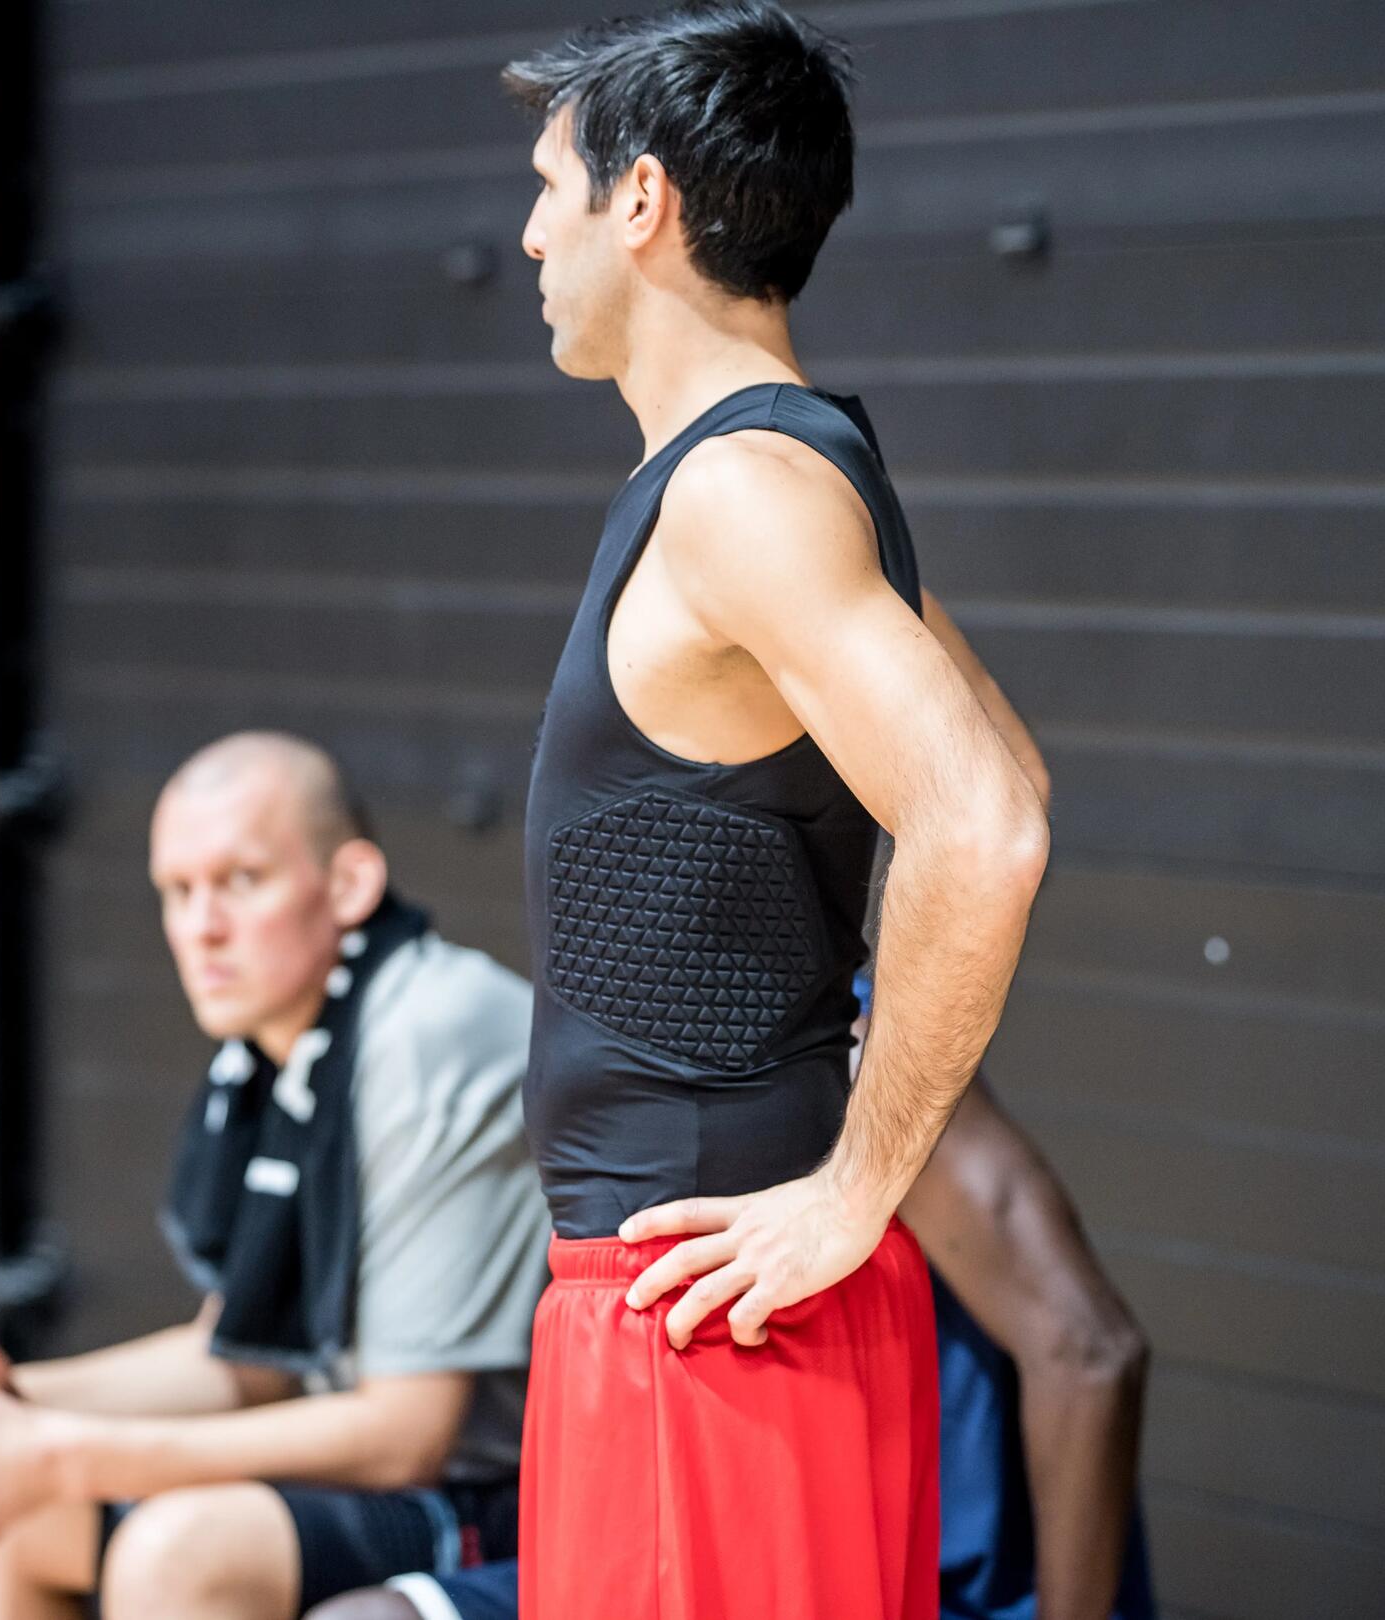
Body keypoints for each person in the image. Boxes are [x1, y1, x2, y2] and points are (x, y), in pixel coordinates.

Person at [502, 9, 1051, 1613]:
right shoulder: (788, 476)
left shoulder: (746, 494)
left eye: (550, 183)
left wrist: (853, 1194)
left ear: (643, 202)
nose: (530, 230)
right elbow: (1009, 776)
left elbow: (987, 829)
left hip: (707, 1319)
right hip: (726, 1305)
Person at [309, 633, 1155, 1620]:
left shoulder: (867, 1067)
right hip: (677, 1502)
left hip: (900, 1563)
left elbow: (1092, 1350)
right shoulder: (660, 1059)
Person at [0, 732, 550, 1619]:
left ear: (348, 886)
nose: (202, 929)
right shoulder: (270, 1054)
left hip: (515, 1496)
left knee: (174, 1556)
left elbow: (405, 1434)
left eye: (241, 881)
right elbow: (247, 1362)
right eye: (178, 891)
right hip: (387, 1473)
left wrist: (53, 1449)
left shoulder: (428, 1032)